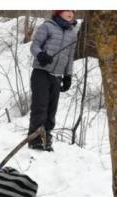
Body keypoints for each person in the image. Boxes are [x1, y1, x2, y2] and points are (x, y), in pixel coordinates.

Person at [28, 11, 78, 152]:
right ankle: (35, 140)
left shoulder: (72, 33)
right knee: (40, 107)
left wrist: (68, 76)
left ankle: (46, 139)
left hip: (57, 76)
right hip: (41, 72)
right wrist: (41, 55)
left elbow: (70, 57)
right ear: (59, 12)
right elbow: (34, 46)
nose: (70, 13)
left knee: (51, 111)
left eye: (72, 11)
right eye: (67, 10)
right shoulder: (48, 26)